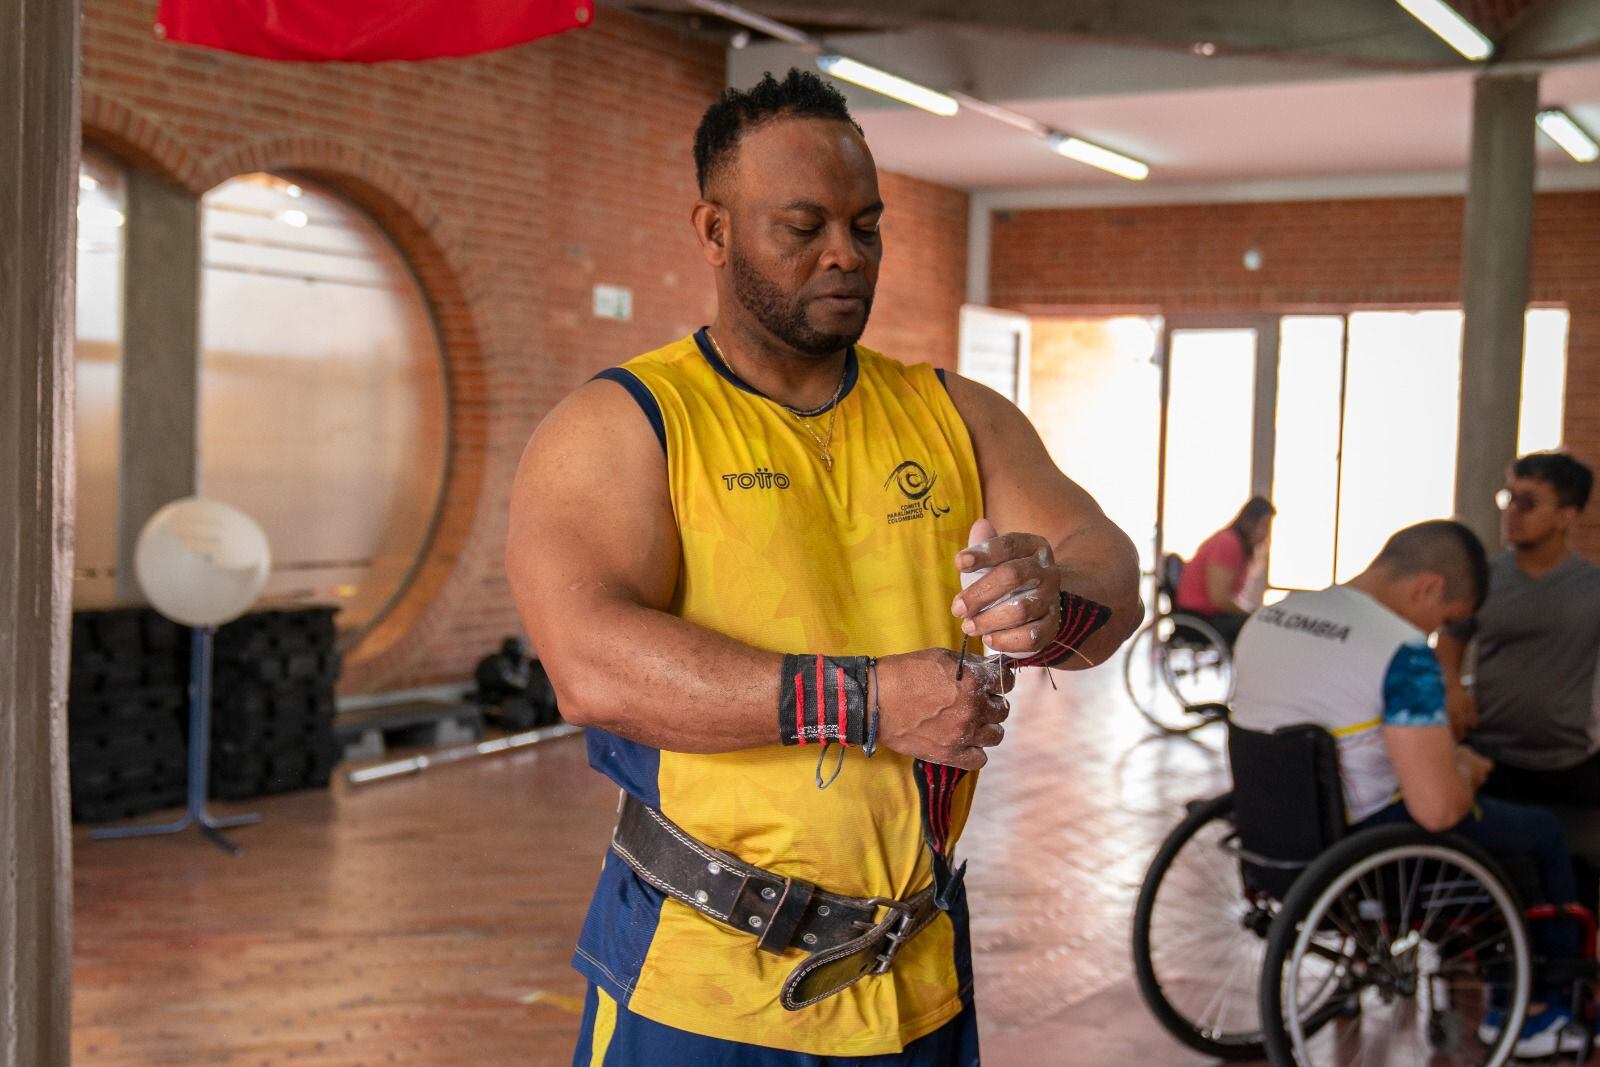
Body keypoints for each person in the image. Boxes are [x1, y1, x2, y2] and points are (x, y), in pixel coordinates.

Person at [505, 69, 1140, 1066]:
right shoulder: (625, 423)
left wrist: (1050, 599)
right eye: (802, 227)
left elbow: (1111, 567)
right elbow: (590, 664)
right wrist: (867, 701)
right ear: (713, 231)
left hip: (913, 975)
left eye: (866, 225)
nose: (844, 253)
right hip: (701, 984)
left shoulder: (954, 412)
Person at [1230, 519, 1582, 1055]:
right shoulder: (1402, 653)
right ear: (1429, 587)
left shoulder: (1270, 618)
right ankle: (1533, 1011)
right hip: (1368, 857)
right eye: (1446, 621)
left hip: (1270, 838)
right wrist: (1465, 767)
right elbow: (1438, 810)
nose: (1438, 635)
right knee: (1540, 833)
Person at [1439, 452, 1600, 806]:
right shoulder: (1483, 578)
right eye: (1509, 498)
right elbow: (1450, 638)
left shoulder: (1592, 587)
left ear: (1566, 515)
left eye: (1527, 502)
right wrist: (1450, 684)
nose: (1512, 511)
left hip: (1571, 765)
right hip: (1487, 757)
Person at [1173, 496, 1275, 647]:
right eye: (1264, 526)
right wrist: (1251, 613)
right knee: (1259, 629)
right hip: (1198, 618)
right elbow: (1219, 599)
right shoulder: (1227, 543)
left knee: (1260, 624)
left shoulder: (1237, 546)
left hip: (1210, 615)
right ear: (1250, 522)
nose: (1266, 533)